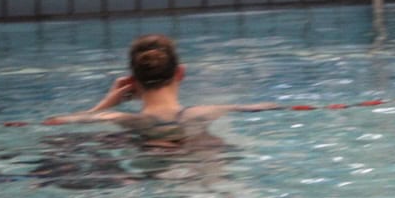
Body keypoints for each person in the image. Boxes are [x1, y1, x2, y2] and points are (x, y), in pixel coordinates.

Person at [45, 34, 277, 144]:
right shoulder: (209, 111)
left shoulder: (120, 118)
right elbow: (272, 107)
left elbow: (55, 123)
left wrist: (108, 102)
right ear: (180, 73)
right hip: (200, 166)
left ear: (132, 82)